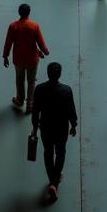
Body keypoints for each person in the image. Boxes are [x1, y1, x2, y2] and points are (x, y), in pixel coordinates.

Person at [31, 62, 77, 202]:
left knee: (48, 152)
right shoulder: (66, 90)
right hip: (61, 128)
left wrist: (34, 127)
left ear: (48, 73)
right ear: (60, 74)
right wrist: (73, 125)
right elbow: (71, 111)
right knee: (61, 152)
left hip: (46, 127)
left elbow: (35, 111)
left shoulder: (39, 89)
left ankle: (52, 180)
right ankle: (54, 183)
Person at [3, 4, 50, 113]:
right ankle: (30, 105)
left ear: (19, 13)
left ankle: (19, 100)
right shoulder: (34, 26)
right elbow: (41, 43)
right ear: (29, 13)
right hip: (32, 59)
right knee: (31, 81)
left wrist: (5, 56)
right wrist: (45, 51)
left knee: (19, 80)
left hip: (18, 60)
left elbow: (8, 43)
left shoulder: (13, 26)